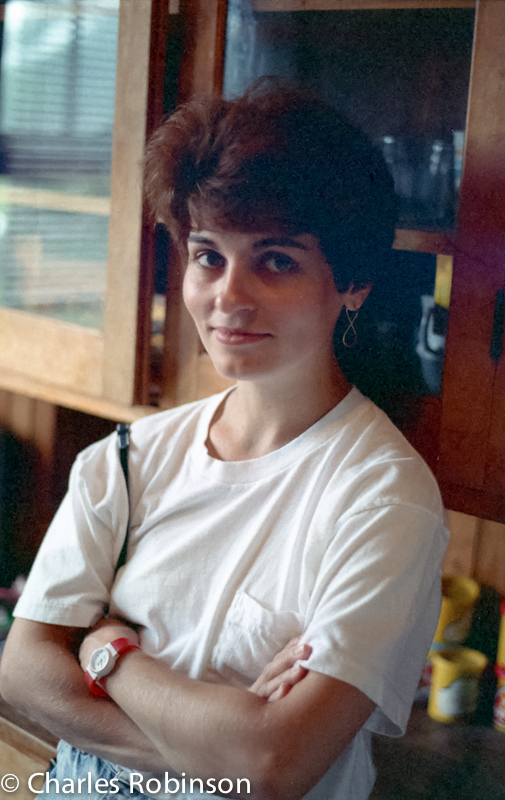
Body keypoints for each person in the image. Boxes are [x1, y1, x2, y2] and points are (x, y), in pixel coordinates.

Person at [0, 82, 448, 800]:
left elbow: (274, 764)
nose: (228, 297)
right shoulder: (124, 460)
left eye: (275, 261)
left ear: (354, 280)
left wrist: (105, 649)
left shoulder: (382, 497)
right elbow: (22, 671)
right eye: (208, 256)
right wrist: (220, 741)